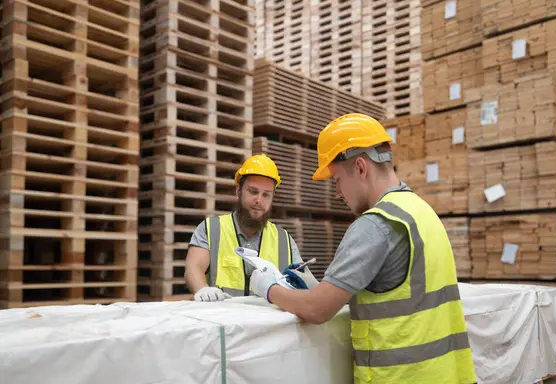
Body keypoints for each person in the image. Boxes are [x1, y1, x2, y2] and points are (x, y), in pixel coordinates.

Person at [249, 114, 477, 383]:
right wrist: (329, 285)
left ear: (360, 167)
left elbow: (317, 310)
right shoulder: (422, 212)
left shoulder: (375, 225)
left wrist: (269, 288)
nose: (338, 192)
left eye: (336, 180)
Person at [184, 154, 310, 302]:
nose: (259, 200)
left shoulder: (284, 240)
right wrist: (202, 289)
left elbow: (302, 283)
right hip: (222, 319)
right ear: (238, 191)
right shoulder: (212, 228)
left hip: (268, 324)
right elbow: (194, 267)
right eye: (253, 191)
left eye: (266, 195)